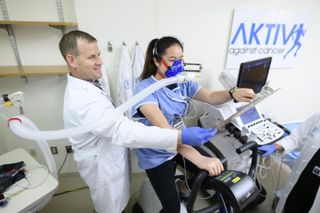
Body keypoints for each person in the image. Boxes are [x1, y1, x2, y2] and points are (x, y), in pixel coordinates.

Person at [59, 30, 217, 213]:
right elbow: (124, 131)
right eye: (92, 57)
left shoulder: (90, 82)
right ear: (72, 60)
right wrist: (179, 136)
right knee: (110, 208)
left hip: (114, 154)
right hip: (103, 166)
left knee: (119, 203)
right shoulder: (83, 100)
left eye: (99, 55)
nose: (100, 61)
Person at [131, 36, 256, 213]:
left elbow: (211, 97)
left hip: (180, 140)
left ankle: (182, 186)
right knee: (172, 207)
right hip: (157, 152)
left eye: (181, 59)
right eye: (172, 60)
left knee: (217, 168)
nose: (179, 64)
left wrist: (233, 93)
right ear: (157, 61)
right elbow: (167, 134)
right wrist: (199, 158)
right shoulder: (144, 90)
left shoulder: (182, 81)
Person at [258, 113, 320, 212]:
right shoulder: (318, 117)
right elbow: (297, 137)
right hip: (301, 181)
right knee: (291, 204)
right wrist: (276, 146)